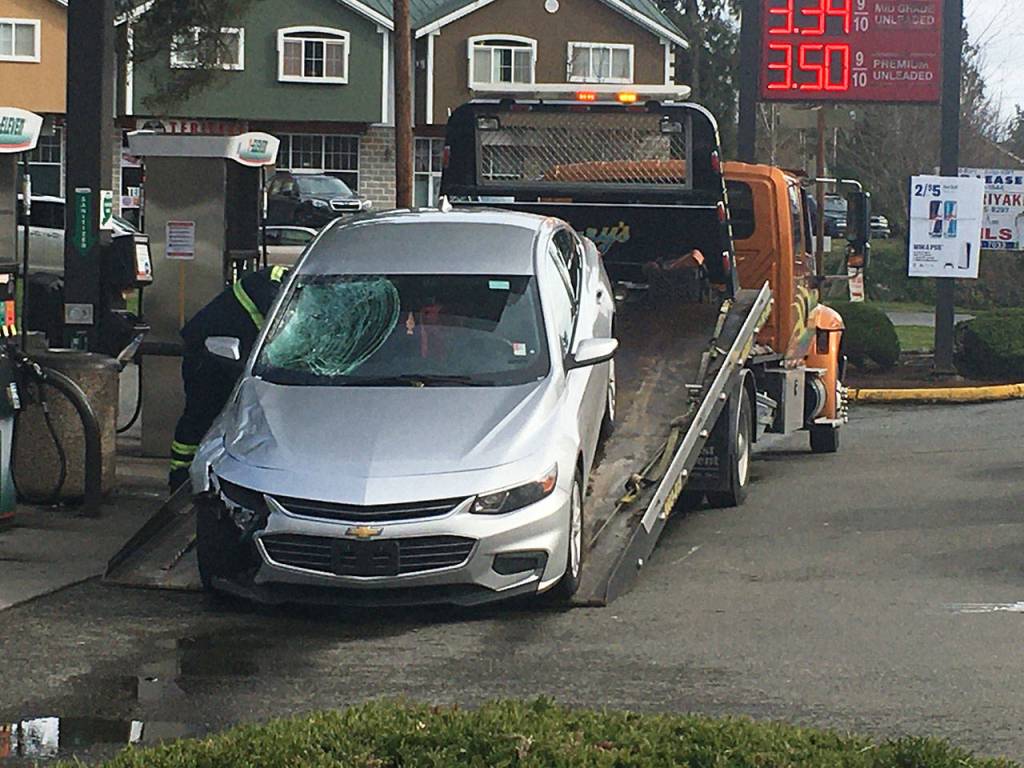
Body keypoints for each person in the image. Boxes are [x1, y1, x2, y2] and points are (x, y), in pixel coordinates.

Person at [168, 265, 289, 492]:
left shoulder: (280, 284)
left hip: (230, 353)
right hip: (207, 355)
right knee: (200, 415)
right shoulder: (270, 286)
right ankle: (180, 478)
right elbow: (282, 334)